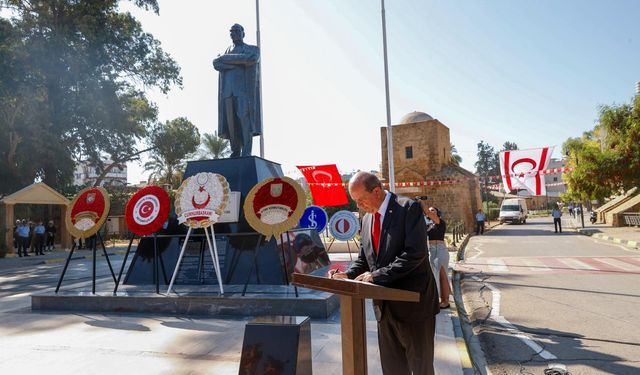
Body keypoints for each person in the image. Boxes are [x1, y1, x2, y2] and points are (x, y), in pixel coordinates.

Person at [328, 172, 439, 375]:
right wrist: (348, 275)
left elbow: (416, 253)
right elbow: (364, 259)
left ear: (377, 191)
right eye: (355, 202)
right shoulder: (367, 219)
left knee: (420, 369)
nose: (358, 206)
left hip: (413, 307)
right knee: (392, 370)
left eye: (361, 200)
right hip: (384, 309)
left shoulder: (408, 208)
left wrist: (376, 275)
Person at [213, 23, 262, 157]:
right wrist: (236, 64)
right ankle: (235, 151)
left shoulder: (252, 49)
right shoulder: (227, 50)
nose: (233, 33)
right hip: (228, 92)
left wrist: (225, 60)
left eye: (236, 31)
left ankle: (246, 151)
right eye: (232, 31)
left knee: (243, 118)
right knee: (231, 122)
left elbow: (251, 59)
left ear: (243, 33)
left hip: (243, 92)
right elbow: (216, 63)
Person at [424, 206, 451, 309]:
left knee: (442, 276)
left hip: (440, 250)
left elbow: (429, 214)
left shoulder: (440, 222)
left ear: (437, 213)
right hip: (431, 250)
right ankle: (438, 300)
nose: (431, 212)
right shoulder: (427, 225)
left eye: (433, 210)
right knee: (434, 276)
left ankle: (446, 301)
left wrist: (422, 204)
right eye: (429, 210)